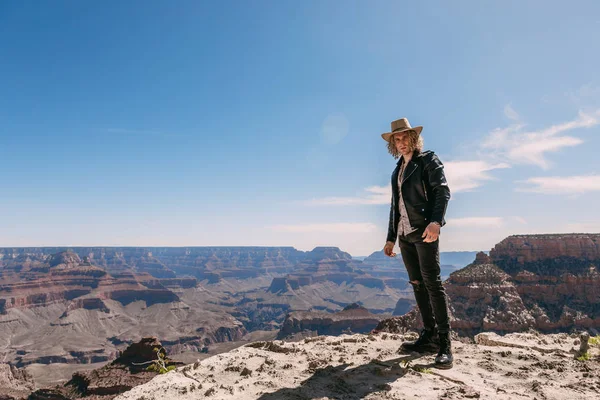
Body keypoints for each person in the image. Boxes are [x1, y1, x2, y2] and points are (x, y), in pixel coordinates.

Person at [381, 117, 453, 369]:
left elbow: (442, 191)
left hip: (424, 231)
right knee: (417, 284)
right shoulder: (397, 169)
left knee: (433, 284)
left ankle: (445, 345)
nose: (401, 143)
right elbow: (395, 207)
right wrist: (391, 238)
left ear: (414, 138)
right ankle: (429, 336)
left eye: (404, 138)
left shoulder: (427, 160)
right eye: (396, 140)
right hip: (404, 235)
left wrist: (436, 222)